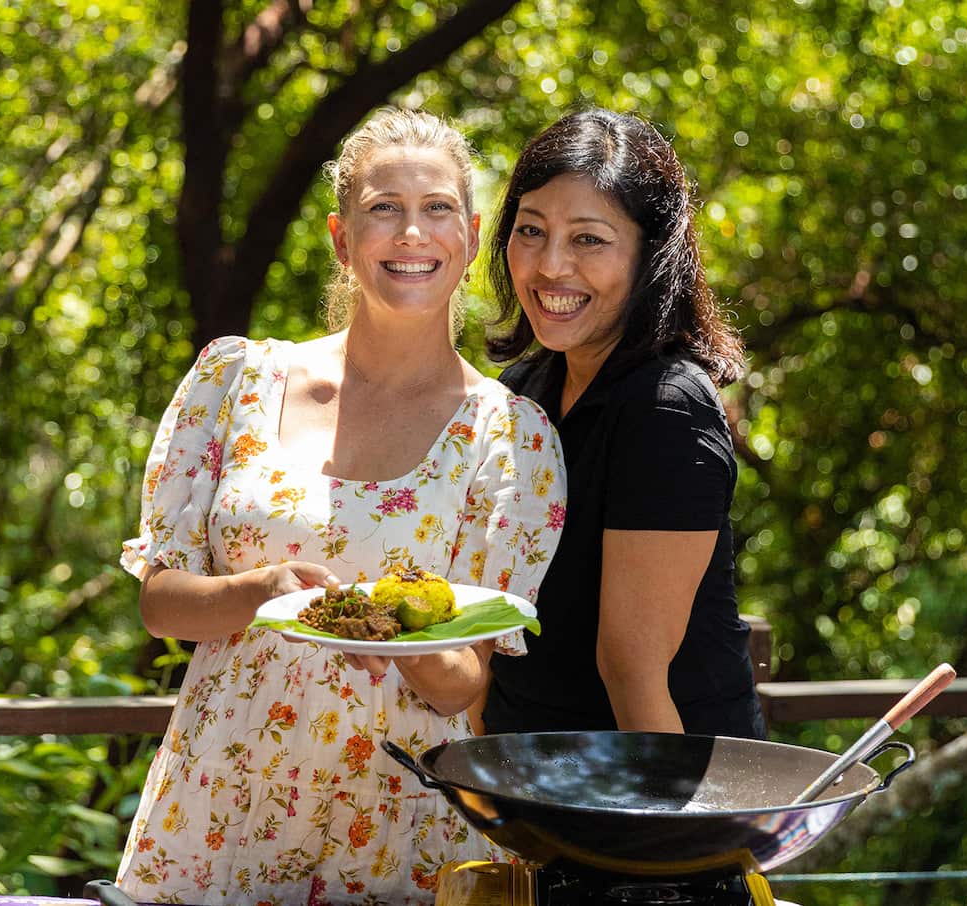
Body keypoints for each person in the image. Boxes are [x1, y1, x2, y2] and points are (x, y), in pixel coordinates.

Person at [115, 108, 565, 906]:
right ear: (340, 236)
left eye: (436, 210)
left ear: (470, 234)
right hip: (223, 797)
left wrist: (398, 643)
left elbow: (463, 682)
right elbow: (160, 603)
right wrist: (254, 595)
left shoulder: (509, 435)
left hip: (398, 812)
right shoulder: (236, 384)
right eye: (383, 209)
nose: (411, 234)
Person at [479, 108, 764, 740]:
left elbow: (631, 669)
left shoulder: (667, 405)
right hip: (533, 781)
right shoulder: (520, 394)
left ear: (650, 257)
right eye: (531, 230)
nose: (551, 266)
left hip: (663, 789)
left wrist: (664, 839)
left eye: (589, 239)